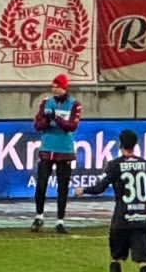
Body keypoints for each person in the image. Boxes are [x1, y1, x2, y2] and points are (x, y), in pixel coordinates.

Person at [81, 127, 146, 272]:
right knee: (144, 262)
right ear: (135, 145)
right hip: (142, 219)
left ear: (120, 145)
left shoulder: (115, 165)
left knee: (116, 258)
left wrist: (83, 190)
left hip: (122, 219)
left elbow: (100, 188)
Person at [31, 73, 82, 233]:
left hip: (64, 150)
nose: (54, 89)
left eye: (57, 86)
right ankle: (39, 216)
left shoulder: (74, 104)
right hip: (47, 149)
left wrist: (56, 119)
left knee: (63, 187)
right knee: (41, 185)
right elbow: (37, 125)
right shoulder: (46, 102)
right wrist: (46, 120)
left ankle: (60, 220)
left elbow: (71, 126)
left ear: (64, 88)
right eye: (52, 86)